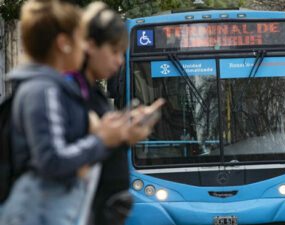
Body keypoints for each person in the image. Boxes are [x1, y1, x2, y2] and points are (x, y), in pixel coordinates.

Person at [0, 0, 139, 224]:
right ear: (64, 43)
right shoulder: (44, 89)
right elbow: (52, 159)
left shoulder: (46, 87)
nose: (83, 48)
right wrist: (102, 140)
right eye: (80, 39)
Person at [68, 2, 164, 225]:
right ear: (90, 46)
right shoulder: (69, 92)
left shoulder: (93, 92)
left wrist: (125, 133)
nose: (120, 61)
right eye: (114, 52)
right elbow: (61, 159)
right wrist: (111, 138)